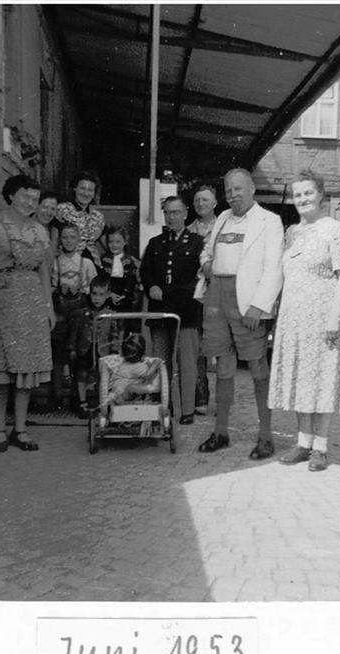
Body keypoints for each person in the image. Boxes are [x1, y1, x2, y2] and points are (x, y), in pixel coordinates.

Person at [268, 170, 340, 471]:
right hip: (293, 318)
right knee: (299, 379)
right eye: (297, 194)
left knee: (322, 379)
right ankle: (303, 443)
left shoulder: (335, 229)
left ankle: (321, 447)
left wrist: (333, 318)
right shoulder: (292, 233)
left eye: (307, 193)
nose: (302, 199)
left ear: (320, 194)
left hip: (323, 319)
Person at [198, 168, 284, 458]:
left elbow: (274, 268)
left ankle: (266, 437)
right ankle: (221, 432)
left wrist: (259, 306)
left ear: (252, 189)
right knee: (222, 367)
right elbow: (206, 253)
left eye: (238, 188)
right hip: (217, 296)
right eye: (228, 190)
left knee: (258, 367)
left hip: (247, 300)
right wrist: (207, 265)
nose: (233, 194)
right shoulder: (222, 218)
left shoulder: (269, 221)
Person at [0, 174, 55, 452]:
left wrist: (49, 307)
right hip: (2, 301)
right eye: (25, 196)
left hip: (32, 303)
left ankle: (20, 429)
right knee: (1, 368)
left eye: (35, 199)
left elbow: (44, 271)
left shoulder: (40, 231)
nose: (30, 203)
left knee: (27, 370)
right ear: (11, 195)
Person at [140, 195, 204, 424]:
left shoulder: (197, 243)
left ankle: (187, 410)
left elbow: (199, 279)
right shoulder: (156, 243)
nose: (171, 217)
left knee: (187, 362)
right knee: (160, 361)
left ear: (185, 213)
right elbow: (145, 272)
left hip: (186, 313)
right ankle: (163, 406)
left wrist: (173, 294)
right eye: (167, 212)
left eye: (176, 212)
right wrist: (152, 286)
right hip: (160, 313)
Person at [50, 225, 97, 408]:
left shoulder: (85, 263)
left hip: (79, 316)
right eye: (65, 238)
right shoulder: (55, 263)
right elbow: (50, 286)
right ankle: (58, 395)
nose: (68, 241)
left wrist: (82, 289)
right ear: (60, 240)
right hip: (61, 315)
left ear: (78, 241)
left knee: (78, 355)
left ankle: (80, 397)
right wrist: (59, 289)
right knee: (59, 356)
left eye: (72, 238)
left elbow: (95, 289)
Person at [68, 273, 120, 418]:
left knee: (102, 376)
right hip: (85, 349)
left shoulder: (111, 314)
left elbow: (114, 334)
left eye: (101, 295)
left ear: (108, 295)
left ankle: (102, 402)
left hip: (102, 350)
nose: (97, 298)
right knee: (82, 375)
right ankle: (82, 402)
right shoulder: (83, 313)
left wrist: (115, 350)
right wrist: (72, 347)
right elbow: (75, 331)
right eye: (94, 294)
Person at [188, 184, 218, 415]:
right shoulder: (189, 231)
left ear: (215, 203)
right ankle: (201, 396)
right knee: (198, 346)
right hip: (197, 295)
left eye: (205, 200)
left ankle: (223, 400)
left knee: (222, 347)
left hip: (219, 293)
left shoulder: (225, 227)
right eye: (198, 200)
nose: (201, 204)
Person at [100, 333, 162, 411]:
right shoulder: (138, 366)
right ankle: (152, 389)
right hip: (124, 393)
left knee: (131, 386)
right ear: (142, 353)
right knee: (132, 387)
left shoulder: (122, 364)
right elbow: (148, 375)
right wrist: (156, 363)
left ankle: (132, 402)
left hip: (117, 392)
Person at [56, 170, 105, 268]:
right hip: (67, 265)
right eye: (83, 188)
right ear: (75, 188)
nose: (86, 193)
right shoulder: (62, 210)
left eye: (90, 190)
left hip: (92, 266)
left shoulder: (98, 217)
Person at [101, 227, 141, 314]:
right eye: (111, 242)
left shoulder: (131, 261)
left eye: (118, 242)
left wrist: (125, 295)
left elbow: (133, 282)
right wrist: (109, 294)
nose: (114, 245)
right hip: (108, 297)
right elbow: (101, 281)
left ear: (125, 242)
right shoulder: (103, 260)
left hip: (127, 298)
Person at [34, 190, 59, 264]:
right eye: (45, 207)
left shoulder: (54, 230)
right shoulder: (26, 228)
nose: (48, 212)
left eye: (53, 209)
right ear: (36, 206)